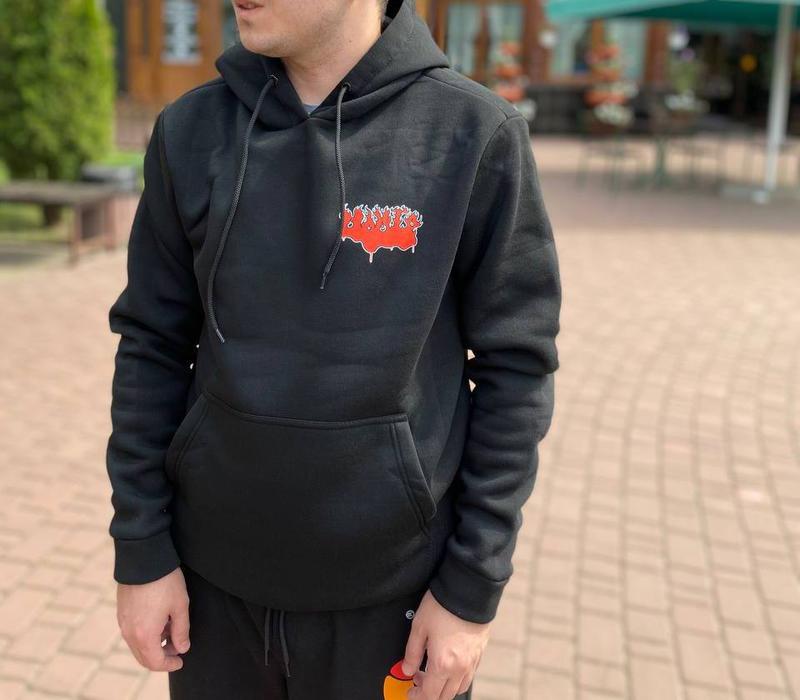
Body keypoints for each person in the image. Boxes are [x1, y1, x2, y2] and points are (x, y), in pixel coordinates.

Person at [105, 0, 562, 698]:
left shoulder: (473, 135)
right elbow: (151, 346)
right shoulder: (190, 132)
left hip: (395, 606)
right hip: (212, 594)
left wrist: (471, 589)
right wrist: (142, 551)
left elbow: (516, 372)